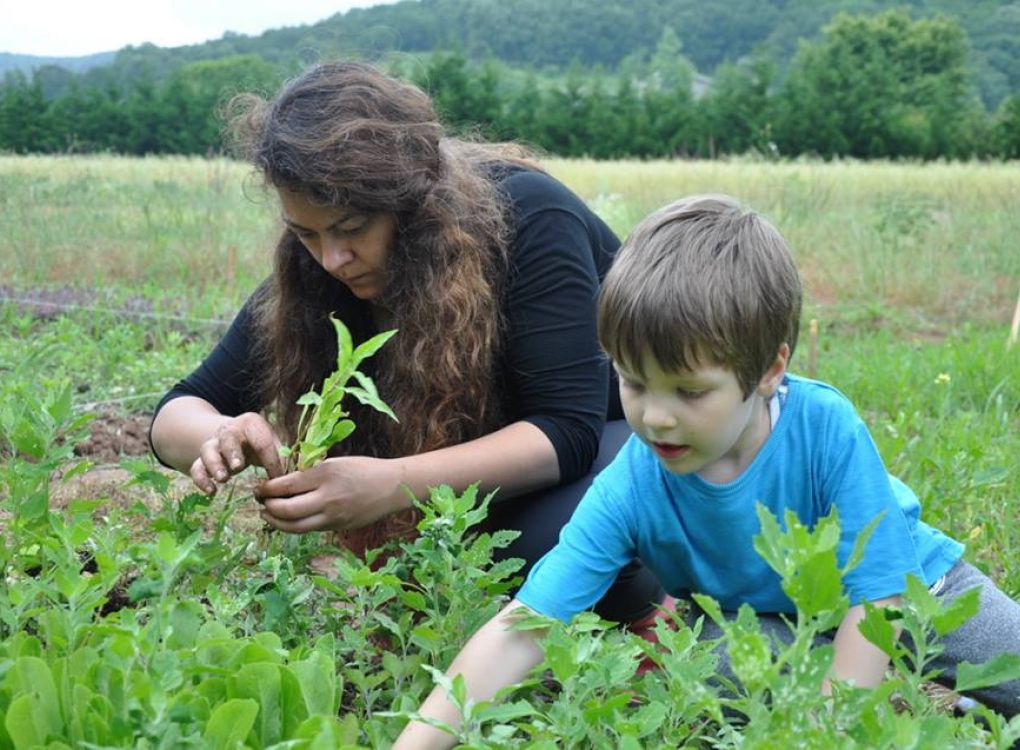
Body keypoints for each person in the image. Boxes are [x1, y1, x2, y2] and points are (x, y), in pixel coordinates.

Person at [395, 194, 1020, 749]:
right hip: (768, 623)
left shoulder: (826, 430)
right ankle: (916, 701)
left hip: (913, 594)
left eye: (689, 391)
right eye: (633, 384)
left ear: (770, 370)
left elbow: (877, 601)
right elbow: (525, 626)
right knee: (697, 667)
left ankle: (934, 684)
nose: (655, 419)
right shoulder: (632, 483)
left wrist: (826, 730)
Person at [148, 61, 666, 629]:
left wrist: (392, 486)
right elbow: (176, 412)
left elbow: (566, 432)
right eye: (306, 233)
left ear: (410, 204)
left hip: (629, 448)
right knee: (462, 549)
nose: (331, 258)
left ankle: (653, 612)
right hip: (477, 482)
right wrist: (220, 436)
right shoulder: (314, 269)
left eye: (351, 228)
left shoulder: (532, 217)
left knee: (547, 541)